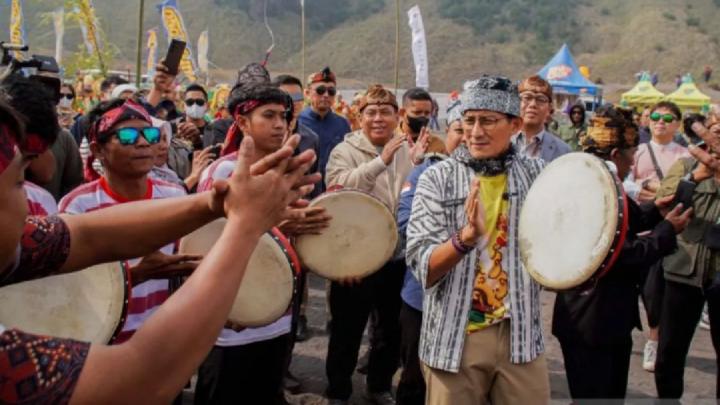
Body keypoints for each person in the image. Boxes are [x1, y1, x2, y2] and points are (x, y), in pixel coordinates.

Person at [0, 94, 319, 403]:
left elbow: (89, 236)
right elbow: (140, 381)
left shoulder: (22, 241)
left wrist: (216, 204)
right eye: (18, 182)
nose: (28, 200)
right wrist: (245, 227)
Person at [406, 75, 549, 405]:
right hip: (456, 337)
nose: (475, 131)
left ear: (514, 124)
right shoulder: (437, 178)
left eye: (488, 120)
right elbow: (422, 266)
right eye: (469, 120)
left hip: (522, 334)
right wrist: (465, 238)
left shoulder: (538, 175)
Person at [194, 66, 329, 405]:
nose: (280, 124)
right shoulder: (223, 172)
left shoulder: (283, 172)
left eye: (283, 116)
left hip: (275, 316)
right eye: (268, 116)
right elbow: (205, 242)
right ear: (241, 123)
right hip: (230, 319)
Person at [552, 106, 691, 401]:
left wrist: (656, 209)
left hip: (608, 318)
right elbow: (619, 253)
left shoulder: (599, 181)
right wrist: (667, 230)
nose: (633, 163)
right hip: (591, 320)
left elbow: (626, 222)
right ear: (616, 154)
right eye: (631, 156)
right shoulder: (589, 189)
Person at [324, 84, 428, 405]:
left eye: (386, 112)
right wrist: (381, 161)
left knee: (389, 331)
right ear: (359, 116)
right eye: (371, 112)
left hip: (395, 256)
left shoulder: (406, 150)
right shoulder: (345, 150)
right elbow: (338, 188)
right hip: (354, 256)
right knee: (347, 328)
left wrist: (418, 164)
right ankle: (338, 390)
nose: (378, 118)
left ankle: (378, 385)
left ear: (397, 116)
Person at [395, 99, 463, 405]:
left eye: (482, 125)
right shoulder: (426, 172)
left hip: (473, 306)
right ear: (447, 133)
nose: (470, 135)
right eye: (462, 128)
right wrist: (460, 238)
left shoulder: (501, 178)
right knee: (414, 377)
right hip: (422, 296)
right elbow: (407, 224)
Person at [654, 118, 720, 400]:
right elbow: (663, 205)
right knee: (670, 349)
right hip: (683, 269)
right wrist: (695, 178)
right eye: (714, 126)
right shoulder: (686, 164)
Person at [273, 74, 321, 344]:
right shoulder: (258, 137)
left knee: (293, 291)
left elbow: (315, 182)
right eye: (284, 99)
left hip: (296, 224)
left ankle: (285, 366)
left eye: (296, 99)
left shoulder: (310, 138)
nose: (291, 105)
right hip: (262, 228)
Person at [298, 67, 352, 195]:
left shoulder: (342, 124)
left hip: (335, 193)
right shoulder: (297, 123)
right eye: (320, 90)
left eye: (331, 91)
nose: (326, 95)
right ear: (307, 93)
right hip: (304, 193)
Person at [512, 75, 571, 162]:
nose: (533, 104)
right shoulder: (499, 141)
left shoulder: (563, 151)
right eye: (527, 98)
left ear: (549, 108)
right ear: (516, 102)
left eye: (540, 99)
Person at [397, 88, 446, 156]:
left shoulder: (437, 145)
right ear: (402, 113)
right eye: (417, 112)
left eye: (427, 113)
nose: (422, 117)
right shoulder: (389, 140)